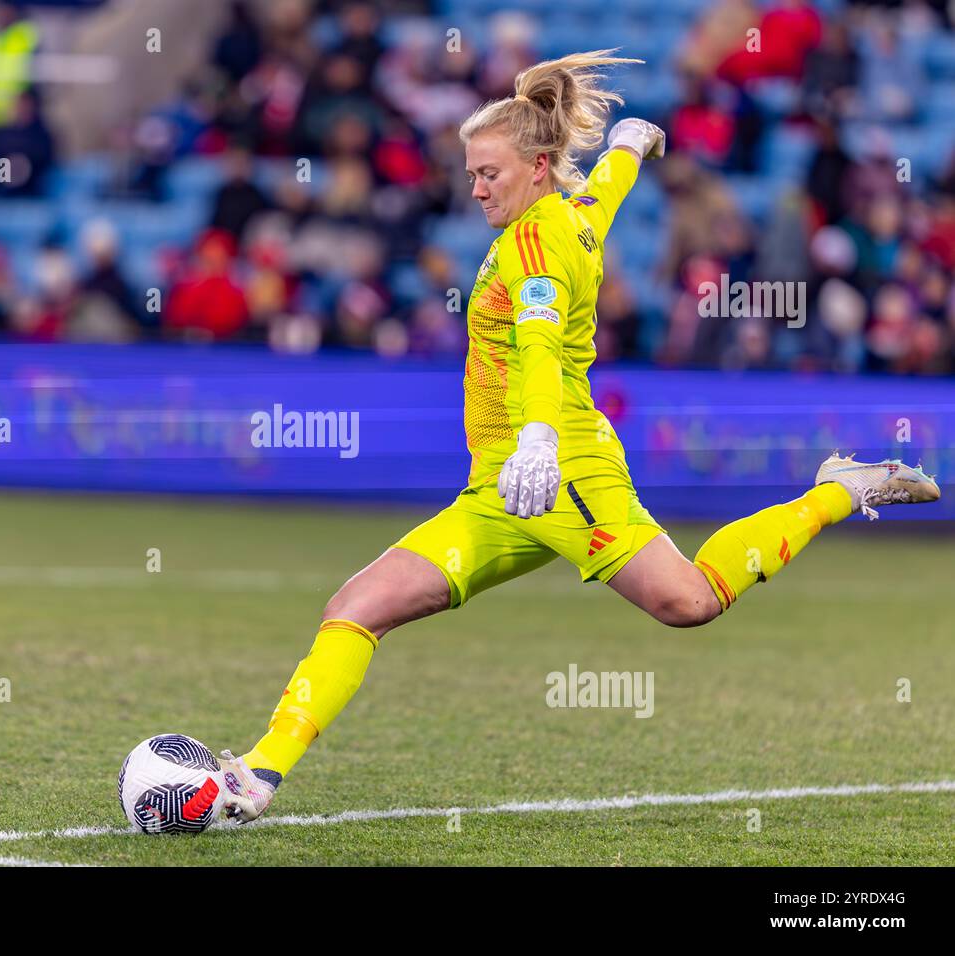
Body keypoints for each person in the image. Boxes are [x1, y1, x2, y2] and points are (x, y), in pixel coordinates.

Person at [213, 50, 941, 823]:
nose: (475, 187)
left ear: (534, 165)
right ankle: (258, 774)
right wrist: (630, 142)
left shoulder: (533, 246)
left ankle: (837, 490)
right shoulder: (569, 214)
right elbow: (606, 190)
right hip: (501, 484)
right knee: (356, 607)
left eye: (488, 172)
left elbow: (537, 342)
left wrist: (536, 442)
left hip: (560, 467)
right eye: (469, 173)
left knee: (687, 602)